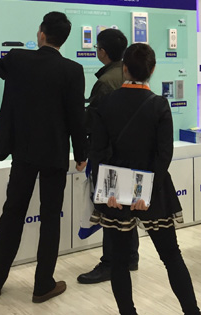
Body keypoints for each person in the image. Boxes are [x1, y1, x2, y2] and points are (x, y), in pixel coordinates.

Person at [0, 11, 87, 303]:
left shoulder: (18, 58)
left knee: (13, 213)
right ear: (63, 39)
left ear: (42, 33)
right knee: (50, 219)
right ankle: (43, 285)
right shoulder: (73, 70)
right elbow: (76, 117)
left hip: (23, 152)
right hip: (55, 154)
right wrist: (81, 153)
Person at [89, 43, 200, 315]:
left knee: (118, 261)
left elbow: (98, 151)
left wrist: (108, 190)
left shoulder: (105, 103)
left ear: (124, 68)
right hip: (153, 189)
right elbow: (164, 155)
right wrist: (144, 192)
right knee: (171, 256)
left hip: (115, 190)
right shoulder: (159, 104)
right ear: (152, 69)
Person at [78, 28, 140, 285]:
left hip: (109, 155)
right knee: (126, 207)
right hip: (129, 153)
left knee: (110, 210)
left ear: (102, 52)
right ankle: (130, 257)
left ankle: (110, 263)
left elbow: (92, 121)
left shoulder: (105, 82)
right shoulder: (130, 73)